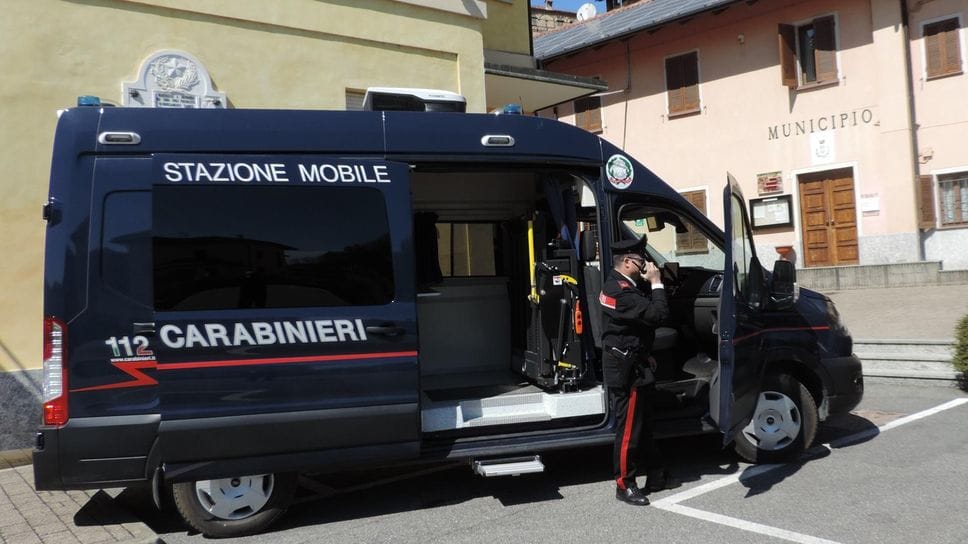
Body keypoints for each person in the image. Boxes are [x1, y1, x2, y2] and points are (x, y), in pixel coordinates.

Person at [599, 236, 679, 506]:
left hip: (635, 360)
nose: (646, 263)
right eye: (641, 259)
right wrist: (656, 283)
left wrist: (646, 355)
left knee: (642, 426)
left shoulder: (620, 284)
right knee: (629, 431)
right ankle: (625, 484)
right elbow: (658, 315)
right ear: (628, 262)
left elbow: (630, 330)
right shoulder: (621, 292)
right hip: (627, 367)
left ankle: (656, 473)